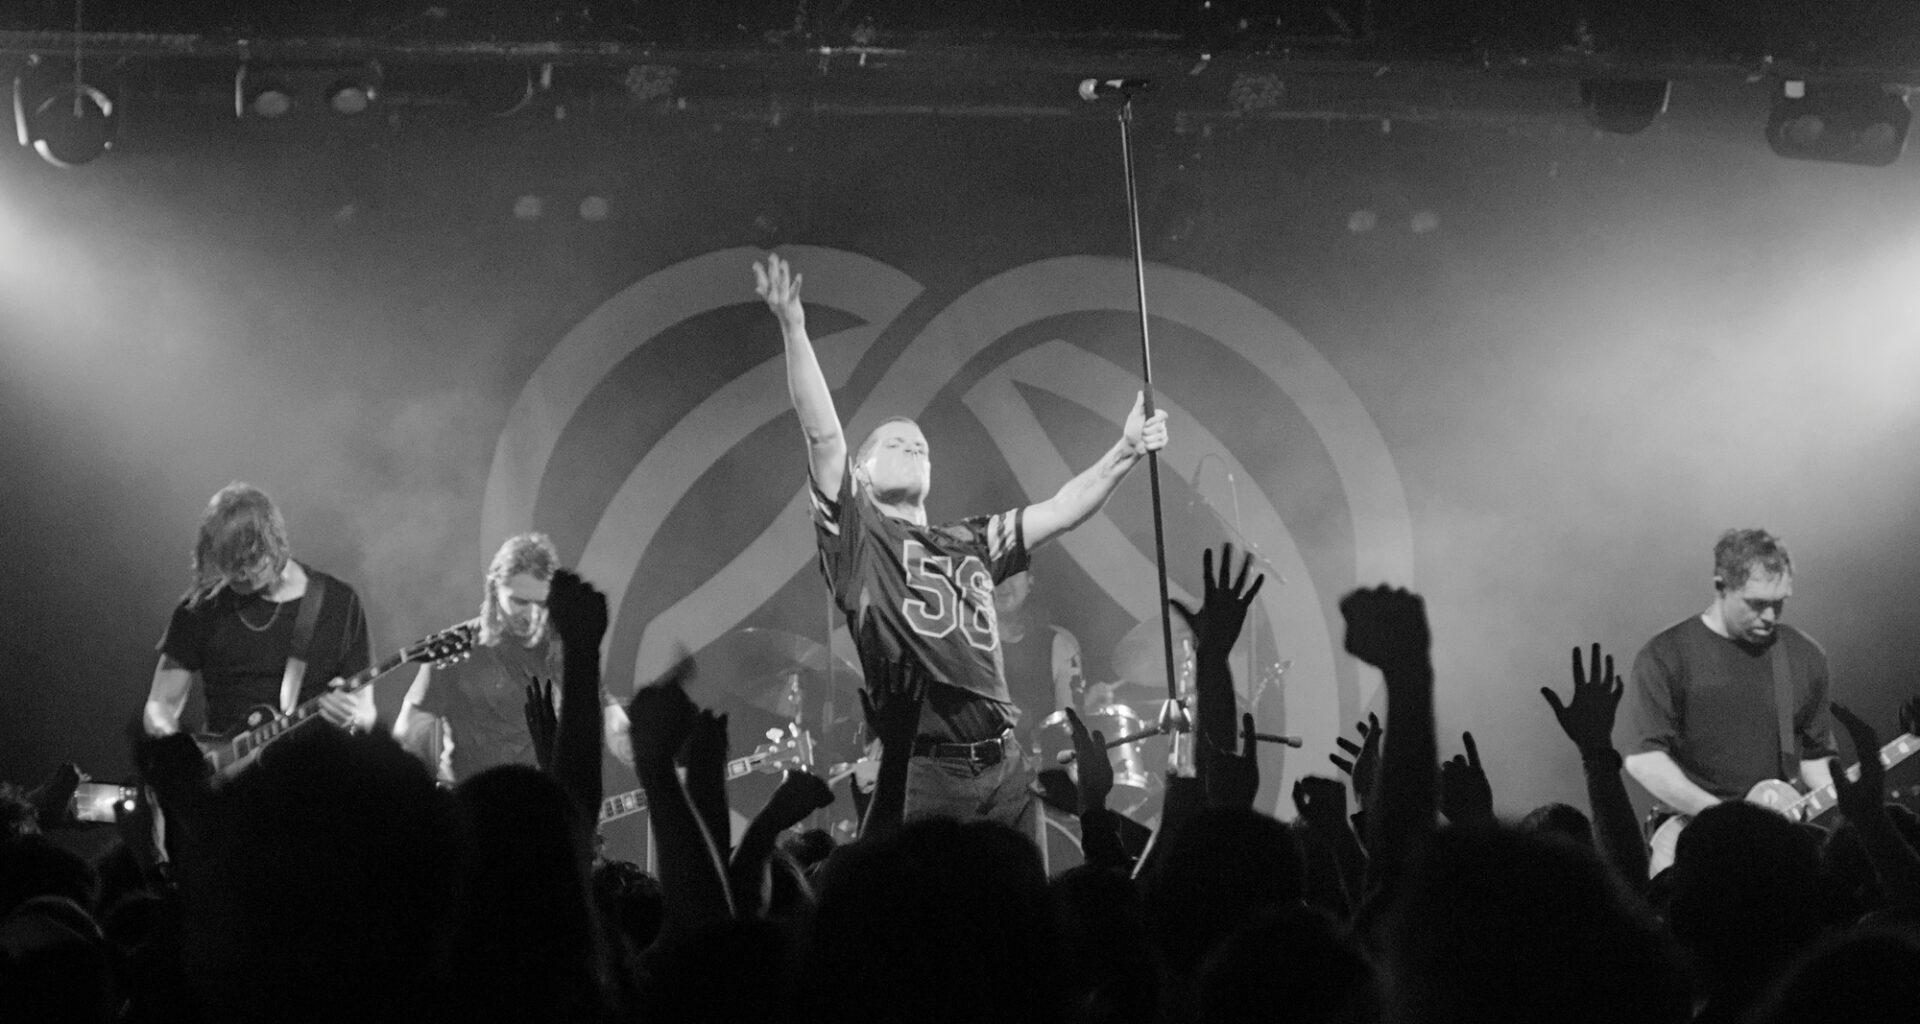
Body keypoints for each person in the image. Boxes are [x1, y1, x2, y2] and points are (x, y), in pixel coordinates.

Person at [755, 252, 1169, 832]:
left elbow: (1062, 510)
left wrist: (1125, 450)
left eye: (921, 444)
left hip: (1006, 765)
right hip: (925, 773)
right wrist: (794, 327)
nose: (915, 446)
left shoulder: (969, 540)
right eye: (895, 442)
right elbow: (823, 433)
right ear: (863, 473)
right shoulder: (859, 537)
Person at [1622, 528, 1837, 872]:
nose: (1769, 616)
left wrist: (1857, 798)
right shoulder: (1666, 655)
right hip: (1693, 839)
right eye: (1756, 603)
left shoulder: (1804, 656)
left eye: (1779, 601)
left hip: (1774, 845)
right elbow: (1645, 761)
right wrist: (1727, 821)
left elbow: (1815, 758)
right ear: (1721, 586)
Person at [392, 532, 634, 783]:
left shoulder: (559, 646)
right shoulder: (456, 649)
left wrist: (626, 739)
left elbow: (602, 703)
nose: (531, 615)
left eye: (541, 603)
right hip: (470, 802)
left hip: (534, 801)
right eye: (520, 601)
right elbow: (410, 734)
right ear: (494, 590)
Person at [143, 482, 372, 739]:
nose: (236, 574)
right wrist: (180, 751)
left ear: (272, 544)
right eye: (227, 564)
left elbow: (366, 710)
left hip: (313, 769)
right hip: (229, 774)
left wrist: (353, 715)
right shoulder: (201, 608)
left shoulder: (339, 602)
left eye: (247, 562)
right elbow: (159, 704)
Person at [993, 569, 1086, 754]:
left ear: (1030, 581)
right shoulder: (960, 641)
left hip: (1034, 771)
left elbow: (1069, 728)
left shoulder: (1059, 644)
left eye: (1011, 572)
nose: (1003, 582)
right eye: (996, 572)